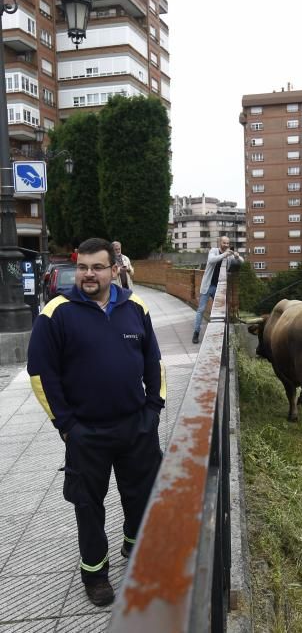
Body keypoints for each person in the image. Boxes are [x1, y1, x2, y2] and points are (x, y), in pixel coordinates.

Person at [27, 238, 165, 607]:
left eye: (97, 267)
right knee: (88, 506)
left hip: (136, 427)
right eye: (83, 267)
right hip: (86, 432)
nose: (89, 274)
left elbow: (154, 361)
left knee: (140, 498)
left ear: (114, 270)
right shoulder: (55, 313)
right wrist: (67, 425)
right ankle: (95, 573)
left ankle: (135, 552)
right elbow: (41, 375)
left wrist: (154, 410)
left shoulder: (135, 307)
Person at [192, 235, 243, 343]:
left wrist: (237, 256)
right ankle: (196, 333)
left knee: (221, 311)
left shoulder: (229, 255)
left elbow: (242, 261)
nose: (226, 245)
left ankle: (219, 334)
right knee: (201, 310)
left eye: (228, 243)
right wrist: (225, 254)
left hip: (218, 288)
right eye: (224, 243)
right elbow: (211, 260)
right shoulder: (214, 251)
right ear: (220, 243)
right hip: (207, 286)